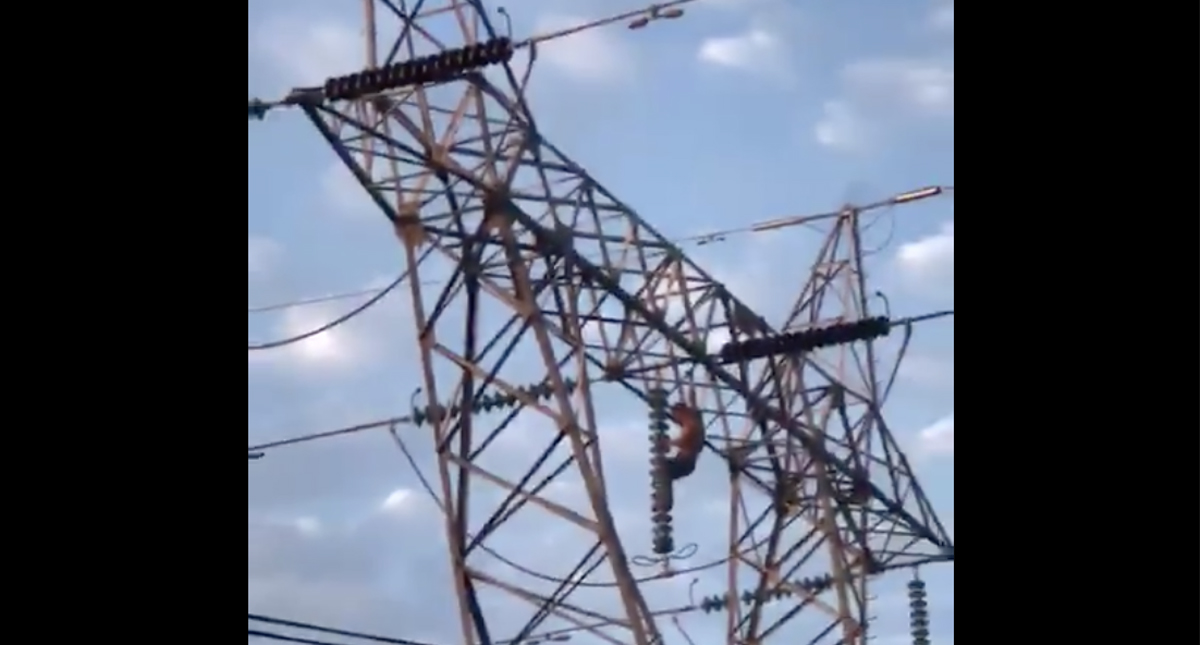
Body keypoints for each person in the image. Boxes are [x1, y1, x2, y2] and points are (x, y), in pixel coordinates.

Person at [665, 401, 704, 480]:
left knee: (663, 468)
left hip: (685, 463)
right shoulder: (690, 423)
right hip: (683, 461)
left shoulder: (691, 424)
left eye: (675, 415)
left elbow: (686, 441)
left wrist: (669, 443)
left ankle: (662, 486)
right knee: (662, 467)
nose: (675, 419)